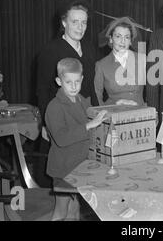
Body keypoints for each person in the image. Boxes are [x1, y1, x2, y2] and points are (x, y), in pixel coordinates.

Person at [45, 58, 106, 221]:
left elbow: (95, 123)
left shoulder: (82, 101)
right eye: (68, 82)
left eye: (77, 81)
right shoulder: (54, 106)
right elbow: (61, 138)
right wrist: (88, 125)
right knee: (61, 211)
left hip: (81, 166)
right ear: (59, 81)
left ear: (82, 79)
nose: (73, 86)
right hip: (64, 169)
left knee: (74, 210)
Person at [37, 0, 99, 121]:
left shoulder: (89, 48)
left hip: (88, 114)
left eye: (84, 22)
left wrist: (97, 111)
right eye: (75, 22)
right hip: (63, 118)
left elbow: (92, 86)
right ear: (64, 23)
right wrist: (46, 123)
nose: (80, 27)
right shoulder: (50, 51)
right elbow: (42, 91)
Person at [94, 17, 145, 106]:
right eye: (118, 36)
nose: (122, 41)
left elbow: (154, 91)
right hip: (114, 114)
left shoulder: (143, 60)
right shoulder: (101, 65)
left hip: (141, 113)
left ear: (130, 41)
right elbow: (97, 96)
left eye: (127, 37)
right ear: (110, 39)